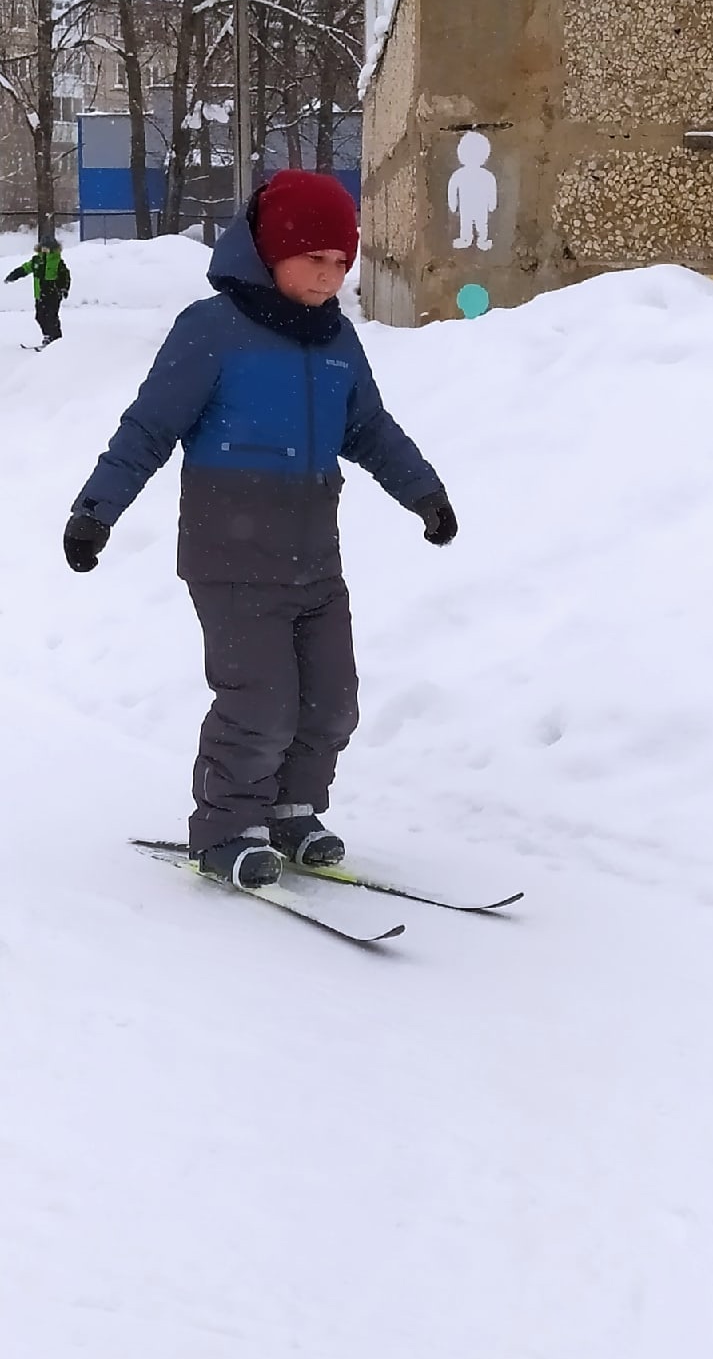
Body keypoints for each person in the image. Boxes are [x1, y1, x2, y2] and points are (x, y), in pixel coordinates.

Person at [63, 170, 458, 889]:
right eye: (315, 258)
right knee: (261, 705)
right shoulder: (211, 331)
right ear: (270, 251)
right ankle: (224, 826)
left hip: (314, 557)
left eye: (342, 262)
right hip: (231, 558)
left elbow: (368, 428)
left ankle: (290, 810)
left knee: (332, 701)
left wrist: (424, 494)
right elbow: (149, 428)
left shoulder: (335, 340)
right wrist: (96, 511)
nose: (330, 274)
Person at [4, 233, 71, 344]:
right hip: (39, 293)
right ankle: (47, 335)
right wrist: (13, 276)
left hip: (53, 293)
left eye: (48, 248)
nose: (45, 250)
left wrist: (64, 288)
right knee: (40, 316)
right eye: (43, 247)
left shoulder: (57, 262)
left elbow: (65, 276)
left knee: (51, 316)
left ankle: (55, 337)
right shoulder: (36, 260)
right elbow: (24, 269)